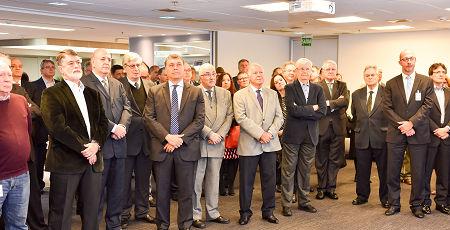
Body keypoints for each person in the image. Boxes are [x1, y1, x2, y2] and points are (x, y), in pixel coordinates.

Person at [40, 49, 109, 229]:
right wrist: (85, 149)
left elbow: (102, 123)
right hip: (66, 163)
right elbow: (58, 128)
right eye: (70, 63)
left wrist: (96, 145)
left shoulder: (92, 93)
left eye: (78, 62)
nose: (76, 66)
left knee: (92, 213)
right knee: (61, 214)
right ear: (60, 69)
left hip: (93, 162)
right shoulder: (51, 93)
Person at [144, 54, 205, 230]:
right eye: (171, 65)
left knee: (186, 192)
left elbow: (199, 120)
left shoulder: (195, 91)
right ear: (166, 69)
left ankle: (185, 225)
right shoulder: (155, 91)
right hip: (162, 148)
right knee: (161, 192)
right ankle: (162, 225)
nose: (176, 67)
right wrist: (167, 137)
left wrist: (179, 139)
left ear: (185, 68)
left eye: (179, 64)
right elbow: (149, 117)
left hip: (186, 149)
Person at [80, 48, 132, 229]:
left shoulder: (116, 83)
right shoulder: (84, 83)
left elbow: (127, 107)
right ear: (92, 62)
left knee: (117, 192)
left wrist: (123, 126)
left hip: (120, 146)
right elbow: (93, 113)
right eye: (102, 59)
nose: (106, 62)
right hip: (100, 147)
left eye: (109, 59)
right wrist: (114, 127)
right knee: (96, 195)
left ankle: (114, 225)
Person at [383, 49, 433, 218]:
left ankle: (417, 204)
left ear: (415, 60)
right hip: (396, 133)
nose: (408, 62)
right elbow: (387, 108)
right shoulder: (391, 83)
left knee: (418, 171)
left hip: (418, 132)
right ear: (400, 62)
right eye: (405, 59)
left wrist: (411, 123)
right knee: (393, 171)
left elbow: (427, 106)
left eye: (411, 58)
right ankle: (394, 203)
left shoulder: (426, 82)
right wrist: (403, 125)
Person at [233, 63, 284, 225]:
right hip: (249, 144)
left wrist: (270, 133)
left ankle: (268, 211)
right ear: (248, 75)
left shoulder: (272, 94)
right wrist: (260, 134)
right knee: (246, 182)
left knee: (269, 179)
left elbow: (279, 117)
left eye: (261, 72)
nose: (259, 75)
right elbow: (241, 118)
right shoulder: (240, 95)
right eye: (255, 72)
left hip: (270, 143)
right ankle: (245, 212)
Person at [280, 58, 327, 216]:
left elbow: (322, 111)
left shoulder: (318, 89)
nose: (305, 72)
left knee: (305, 170)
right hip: (292, 136)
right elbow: (292, 111)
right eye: (301, 69)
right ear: (296, 71)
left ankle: (304, 201)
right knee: (288, 171)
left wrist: (303, 110)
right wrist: (311, 109)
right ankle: (286, 203)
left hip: (310, 135)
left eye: (308, 69)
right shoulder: (290, 88)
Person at [192, 63, 233, 228]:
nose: (211, 77)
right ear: (200, 77)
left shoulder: (224, 93)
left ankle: (213, 213)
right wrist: (209, 134)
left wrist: (220, 135)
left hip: (218, 143)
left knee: (214, 180)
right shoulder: (193, 92)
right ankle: (195, 215)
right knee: (196, 182)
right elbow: (193, 118)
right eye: (207, 74)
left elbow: (229, 115)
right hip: (200, 142)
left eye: (213, 74)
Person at [119, 52, 156, 228]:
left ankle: (142, 211)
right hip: (126, 140)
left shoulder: (150, 85)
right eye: (131, 65)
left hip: (147, 141)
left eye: (138, 65)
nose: (135, 69)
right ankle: (124, 214)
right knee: (124, 182)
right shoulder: (118, 86)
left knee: (143, 180)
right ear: (125, 68)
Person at [350, 65, 388, 208]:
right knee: (362, 170)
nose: (370, 77)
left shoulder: (387, 93)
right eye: (367, 75)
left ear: (378, 76)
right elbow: (354, 115)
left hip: (382, 137)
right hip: (362, 137)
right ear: (364, 77)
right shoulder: (356, 94)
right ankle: (362, 196)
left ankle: (385, 198)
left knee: (384, 170)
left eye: (373, 75)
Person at [0, 60, 31, 230]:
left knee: (19, 225)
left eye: (9, 75)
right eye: (1, 75)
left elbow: (27, 131)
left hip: (21, 175)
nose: (7, 79)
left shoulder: (20, 100)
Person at [316, 60, 349, 200]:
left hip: (337, 127)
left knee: (334, 159)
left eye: (333, 69)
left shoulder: (342, 85)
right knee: (321, 159)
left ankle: (331, 188)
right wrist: (335, 103)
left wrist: (327, 103)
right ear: (322, 72)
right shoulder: (316, 86)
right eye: (328, 69)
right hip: (321, 127)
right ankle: (321, 188)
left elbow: (345, 101)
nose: (330, 71)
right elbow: (317, 104)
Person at [24, 59, 58, 192]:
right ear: (41, 70)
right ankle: (38, 185)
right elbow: (30, 109)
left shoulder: (61, 85)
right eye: (47, 67)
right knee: (39, 159)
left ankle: (57, 185)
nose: (50, 69)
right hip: (40, 129)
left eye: (52, 67)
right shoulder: (32, 86)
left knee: (57, 159)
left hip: (58, 129)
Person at [423, 63, 450, 215]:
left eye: (443, 72)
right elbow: (423, 115)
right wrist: (436, 129)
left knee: (444, 173)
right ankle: (425, 202)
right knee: (426, 173)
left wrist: (446, 129)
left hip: (446, 138)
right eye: (437, 72)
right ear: (431, 75)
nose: (441, 74)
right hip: (429, 138)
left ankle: (441, 202)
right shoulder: (425, 93)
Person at [216, 73, 239, 197]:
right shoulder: (216, 95)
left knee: (233, 161)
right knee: (221, 161)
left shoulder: (235, 96)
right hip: (220, 132)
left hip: (234, 131)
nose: (226, 82)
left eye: (228, 80)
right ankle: (221, 187)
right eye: (223, 80)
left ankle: (230, 186)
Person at [269, 74, 287, 194]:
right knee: (277, 162)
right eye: (276, 82)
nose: (279, 82)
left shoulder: (292, 96)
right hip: (276, 134)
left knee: (287, 164)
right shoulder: (274, 98)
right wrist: (276, 131)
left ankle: (289, 190)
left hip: (290, 133)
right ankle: (278, 184)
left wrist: (284, 130)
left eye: (281, 80)